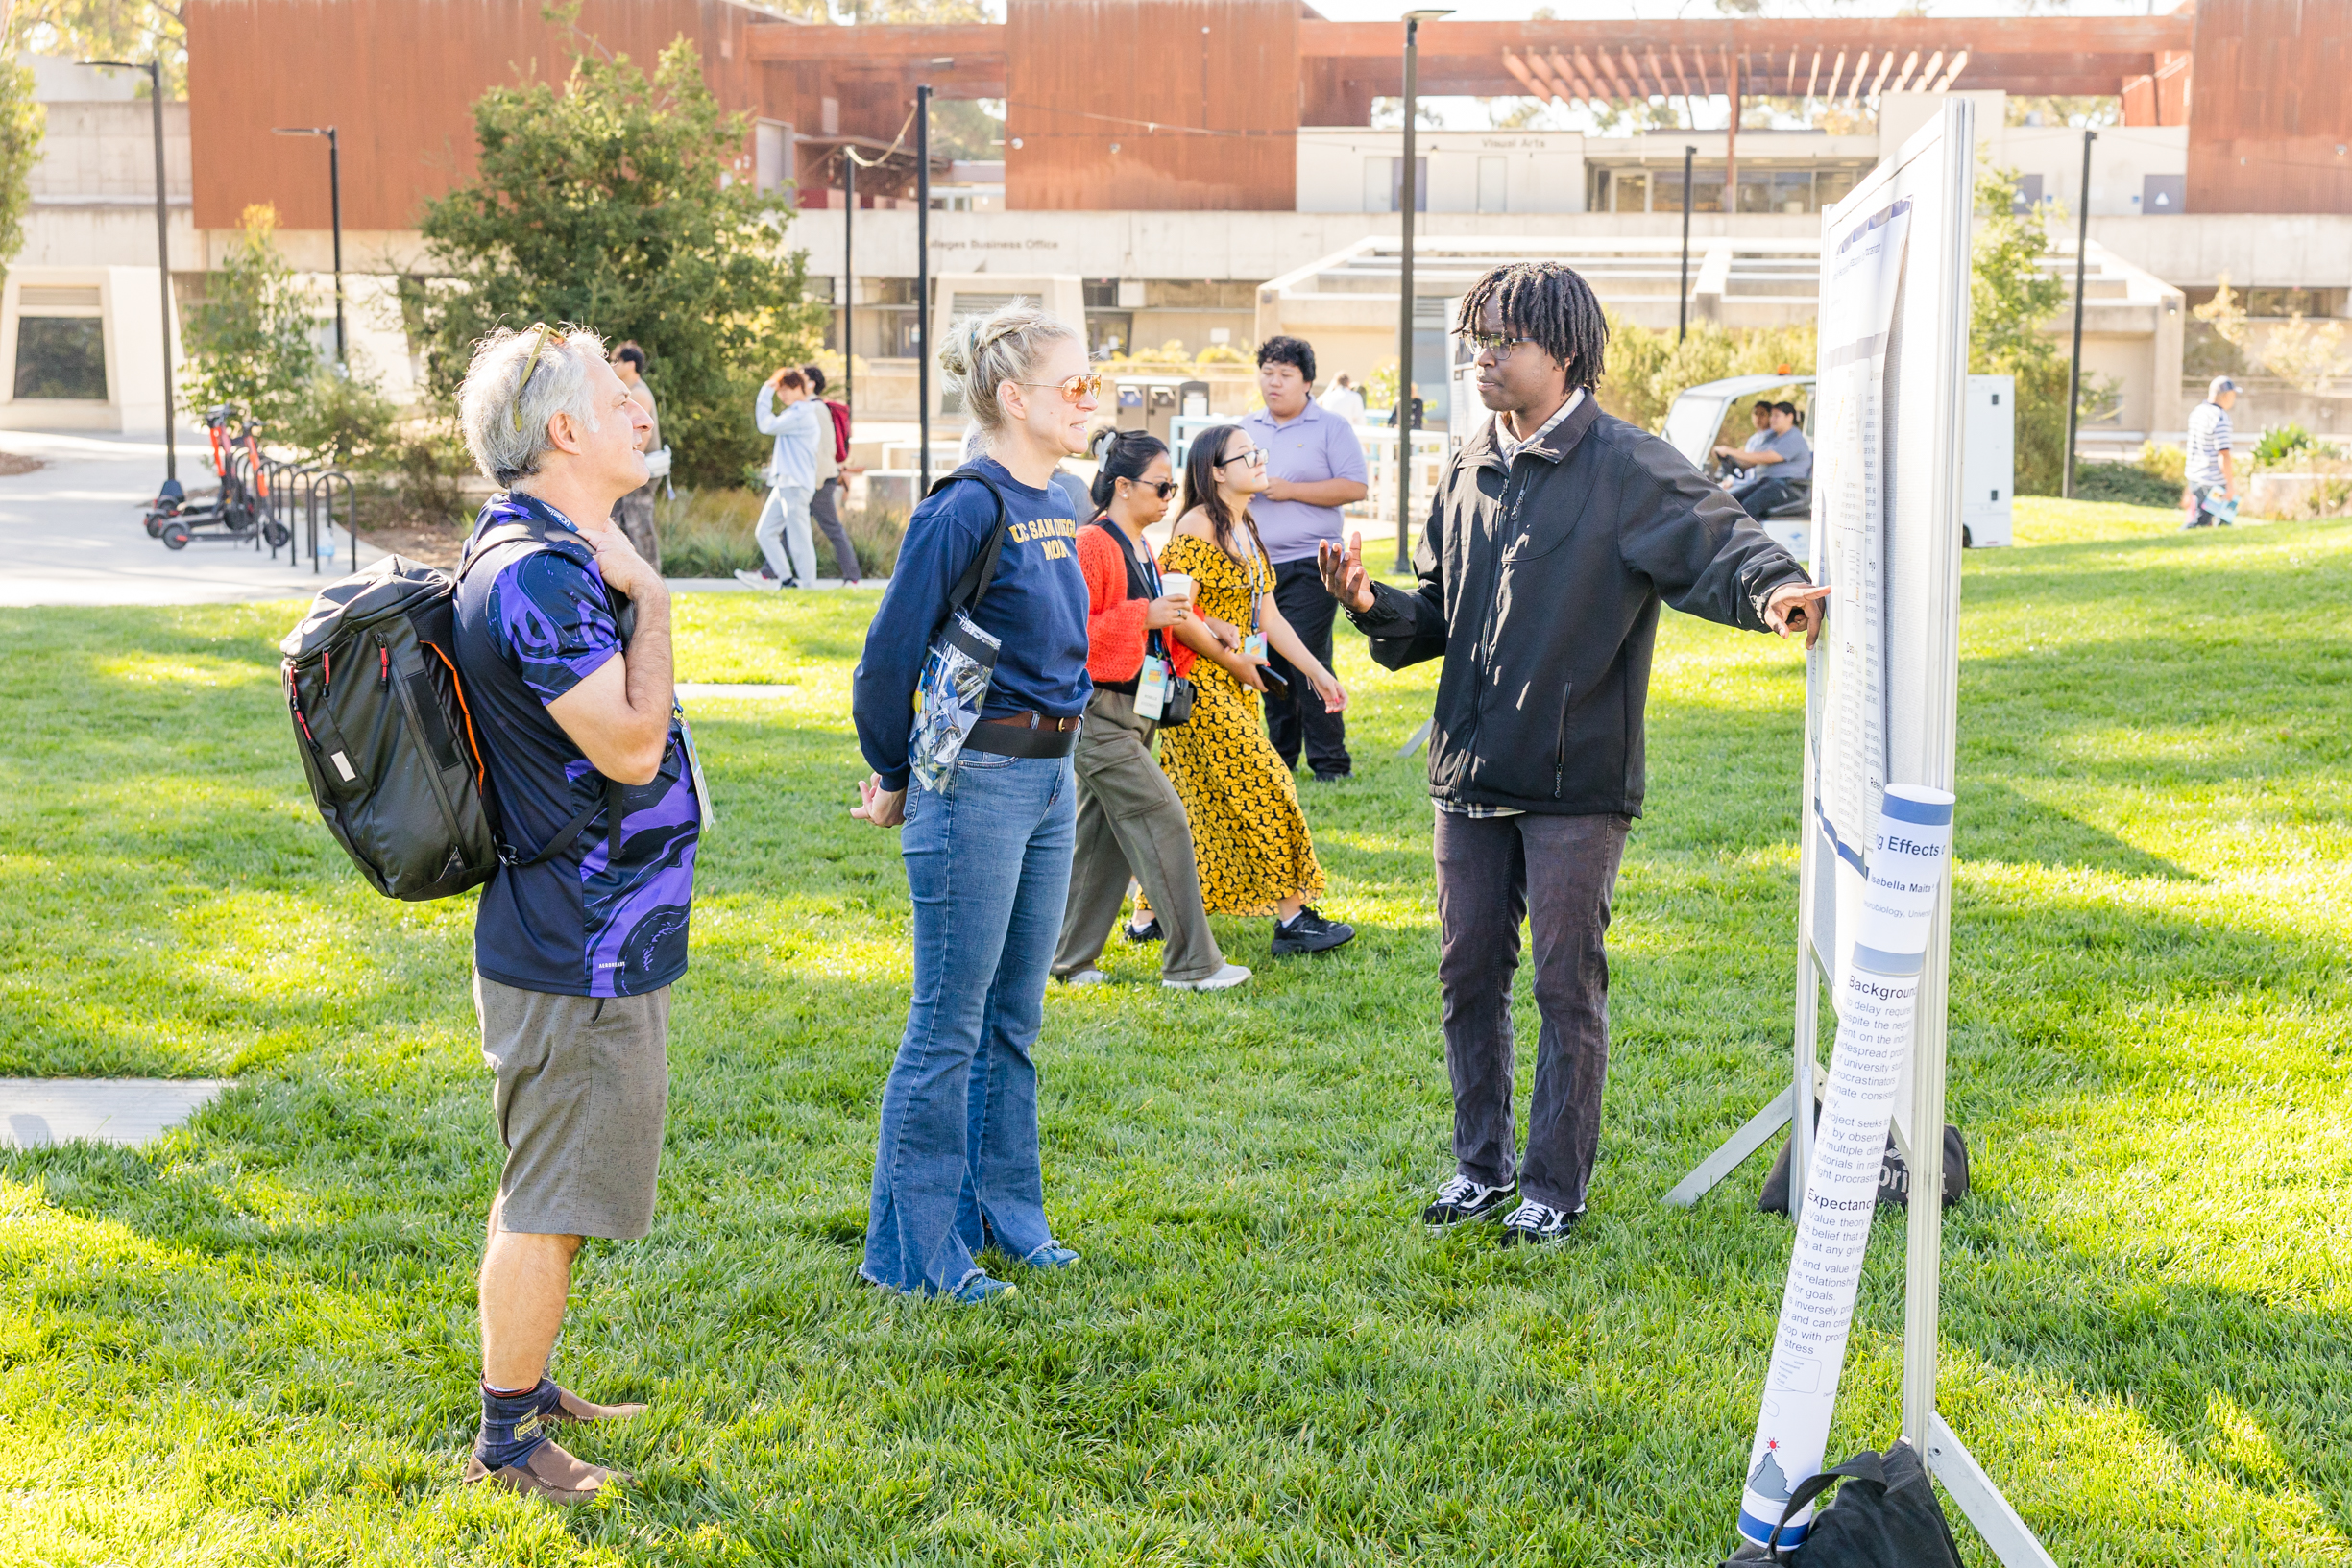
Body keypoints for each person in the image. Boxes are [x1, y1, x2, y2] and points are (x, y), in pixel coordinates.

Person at [1318, 262, 1830, 1247]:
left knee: (1563, 982)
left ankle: (1554, 1185)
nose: (1481, 357)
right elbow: (1438, 613)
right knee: (1467, 977)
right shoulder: (1466, 462)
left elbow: (1721, 541)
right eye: (1474, 339)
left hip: (1574, 786)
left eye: (1501, 340)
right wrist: (1367, 602)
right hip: (1467, 773)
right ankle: (1480, 1169)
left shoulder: (1630, 465)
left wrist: (1776, 591)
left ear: (1563, 350)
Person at [449, 325, 701, 1502]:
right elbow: (633, 747)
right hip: (572, 942)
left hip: (589, 930)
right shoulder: (545, 575)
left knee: (553, 1182)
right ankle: (506, 1440)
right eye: (617, 392)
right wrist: (650, 593)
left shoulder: (556, 553)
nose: (636, 406)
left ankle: (530, 1379)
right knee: (548, 1198)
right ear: (563, 430)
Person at [847, 301, 1098, 1302]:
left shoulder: (1066, 496)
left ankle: (1006, 1219)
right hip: (979, 781)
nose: (1090, 400)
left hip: (1052, 778)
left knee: (1014, 1018)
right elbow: (885, 658)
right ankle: (911, 1255)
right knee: (948, 1022)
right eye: (1072, 385)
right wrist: (897, 774)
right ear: (1011, 396)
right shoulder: (964, 505)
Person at [1052, 428, 1251, 993]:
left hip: (1133, 713)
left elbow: (1158, 618)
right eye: (1161, 485)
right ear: (1122, 486)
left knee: (1103, 839)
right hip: (1098, 715)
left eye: (1172, 484)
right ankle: (1192, 965)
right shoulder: (1093, 544)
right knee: (1163, 817)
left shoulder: (1139, 544)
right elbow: (1071, 636)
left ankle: (1069, 961)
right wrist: (1145, 616)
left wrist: (1203, 624)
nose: (1170, 496)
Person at [1157, 423, 1356, 957]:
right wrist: (1233, 661)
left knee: (1190, 803)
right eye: (1247, 455)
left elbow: (1266, 614)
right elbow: (1177, 617)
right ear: (1216, 471)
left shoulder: (1244, 521)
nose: (1259, 460)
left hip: (1239, 681)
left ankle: (1147, 912)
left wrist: (1316, 671)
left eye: (1258, 452)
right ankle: (1293, 921)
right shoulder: (1197, 527)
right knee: (1267, 787)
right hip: (1200, 687)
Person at [1240, 335, 1370, 783]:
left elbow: (1355, 486)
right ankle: (1281, 758)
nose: (1273, 383)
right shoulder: (1245, 429)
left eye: (1285, 374)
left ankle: (1331, 762)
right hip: (1257, 566)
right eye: (1267, 372)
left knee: (1307, 655)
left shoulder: (1331, 427)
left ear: (1308, 382)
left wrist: (1291, 489)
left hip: (1313, 564)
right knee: (1271, 659)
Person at [737, 368, 825, 591]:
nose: (781, 395)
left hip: (795, 483)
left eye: (785, 390)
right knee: (765, 532)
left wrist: (765, 392)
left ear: (798, 387)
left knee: (799, 538)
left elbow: (766, 425)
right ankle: (787, 581)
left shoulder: (801, 413)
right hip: (785, 483)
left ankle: (808, 587)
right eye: (779, 391)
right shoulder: (796, 411)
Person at [802, 363, 861, 586]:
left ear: (811, 383)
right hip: (814, 479)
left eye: (801, 378)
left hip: (819, 480)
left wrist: (816, 481)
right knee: (792, 527)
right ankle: (768, 572)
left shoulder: (816, 409)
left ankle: (853, 577)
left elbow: (824, 448)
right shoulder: (808, 408)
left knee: (832, 529)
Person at [608, 341, 662, 570]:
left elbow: (641, 438)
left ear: (630, 364)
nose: (611, 365)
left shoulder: (639, 393)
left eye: (614, 361)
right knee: (619, 522)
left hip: (640, 467)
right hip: (633, 466)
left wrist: (620, 465)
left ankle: (652, 579)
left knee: (638, 524)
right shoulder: (632, 392)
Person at [1717, 400, 1811, 519]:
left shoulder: (1793, 437)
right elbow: (1752, 461)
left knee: (1748, 506)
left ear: (1790, 417)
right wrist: (1730, 459)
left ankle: (1747, 537)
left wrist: (1730, 451)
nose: (1772, 419)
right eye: (1771, 415)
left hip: (1788, 487)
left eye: (1777, 416)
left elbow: (1768, 457)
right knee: (1730, 501)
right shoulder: (1772, 438)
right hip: (1767, 482)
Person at [2184, 375, 2240, 527]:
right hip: (2213, 482)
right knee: (2210, 522)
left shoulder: (2197, 412)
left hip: (2195, 478)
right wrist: (2229, 485)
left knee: (2202, 521)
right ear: (2227, 395)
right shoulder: (2220, 418)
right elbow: (2224, 454)